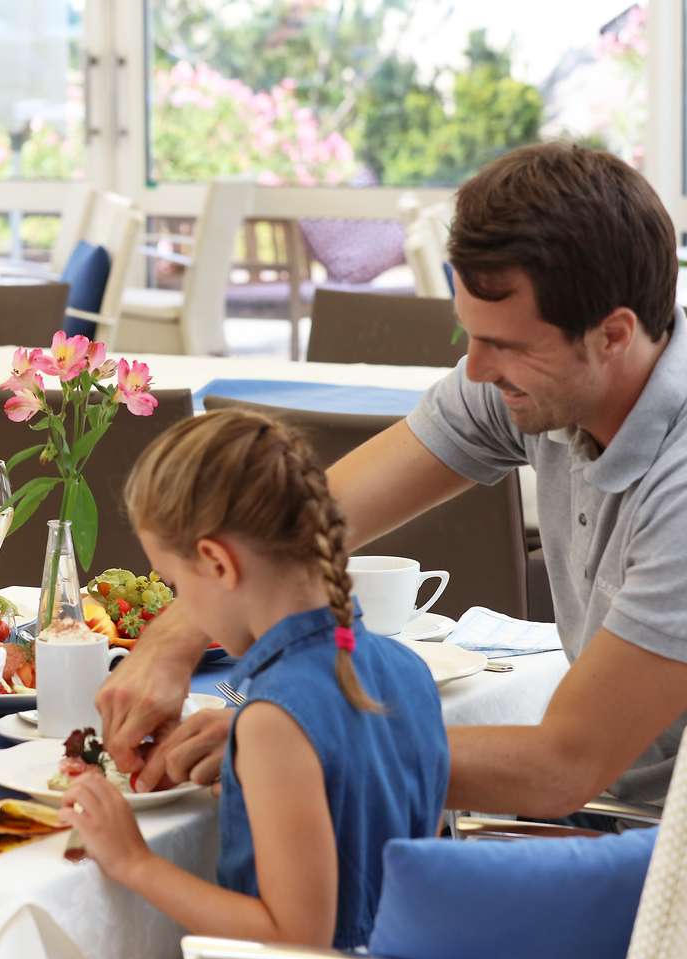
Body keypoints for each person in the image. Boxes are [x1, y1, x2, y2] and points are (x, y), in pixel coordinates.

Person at [100, 141, 687, 821]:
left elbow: (559, 768)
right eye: (469, 335)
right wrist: (169, 639)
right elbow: (303, 522)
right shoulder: (538, 389)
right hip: (617, 815)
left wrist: (300, 740)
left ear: (614, 335)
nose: (475, 372)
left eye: (507, 345)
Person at [64, 409, 448, 959]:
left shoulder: (274, 717)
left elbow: (293, 949)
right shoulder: (405, 669)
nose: (181, 605)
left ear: (216, 560)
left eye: (177, 587)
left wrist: (132, 862)